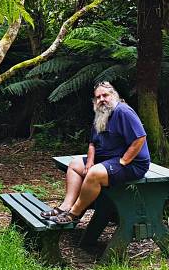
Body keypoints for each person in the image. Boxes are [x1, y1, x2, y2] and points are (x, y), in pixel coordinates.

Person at [42, 81, 151, 225]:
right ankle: (65, 207)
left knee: (94, 173)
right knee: (74, 165)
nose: (101, 100)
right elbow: (92, 143)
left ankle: (75, 213)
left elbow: (140, 138)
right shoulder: (101, 114)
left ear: (114, 95)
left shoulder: (123, 111)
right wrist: (90, 161)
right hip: (107, 159)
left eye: (105, 95)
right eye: (98, 97)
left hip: (132, 164)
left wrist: (124, 161)